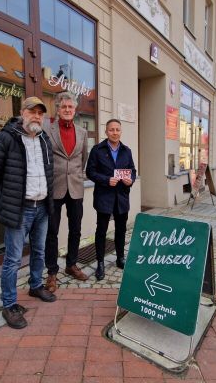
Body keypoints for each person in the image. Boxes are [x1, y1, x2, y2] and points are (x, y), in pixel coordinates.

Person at [0, 96, 57, 329]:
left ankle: (35, 286)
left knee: (39, 251)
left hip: (42, 207)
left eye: (40, 113)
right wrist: (2, 203)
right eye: (32, 111)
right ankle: (9, 304)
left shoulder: (44, 139)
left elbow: (49, 172)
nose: (36, 116)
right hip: (20, 209)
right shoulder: (6, 138)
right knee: (13, 259)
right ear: (22, 112)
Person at [43, 92, 89, 292]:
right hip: (55, 187)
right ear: (58, 109)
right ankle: (52, 272)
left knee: (76, 229)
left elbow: (83, 158)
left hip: (76, 188)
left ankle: (71, 264)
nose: (68, 110)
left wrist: (77, 175)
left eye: (71, 107)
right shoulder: (47, 129)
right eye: (64, 107)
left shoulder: (82, 132)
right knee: (51, 231)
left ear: (75, 109)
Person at [86, 119, 136, 281]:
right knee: (101, 231)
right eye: (111, 130)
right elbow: (90, 172)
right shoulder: (97, 150)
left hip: (121, 197)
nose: (115, 132)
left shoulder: (126, 151)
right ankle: (100, 263)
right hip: (104, 197)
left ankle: (120, 258)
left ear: (121, 131)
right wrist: (106, 180)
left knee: (121, 230)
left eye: (117, 130)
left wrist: (130, 180)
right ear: (106, 132)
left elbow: (132, 170)